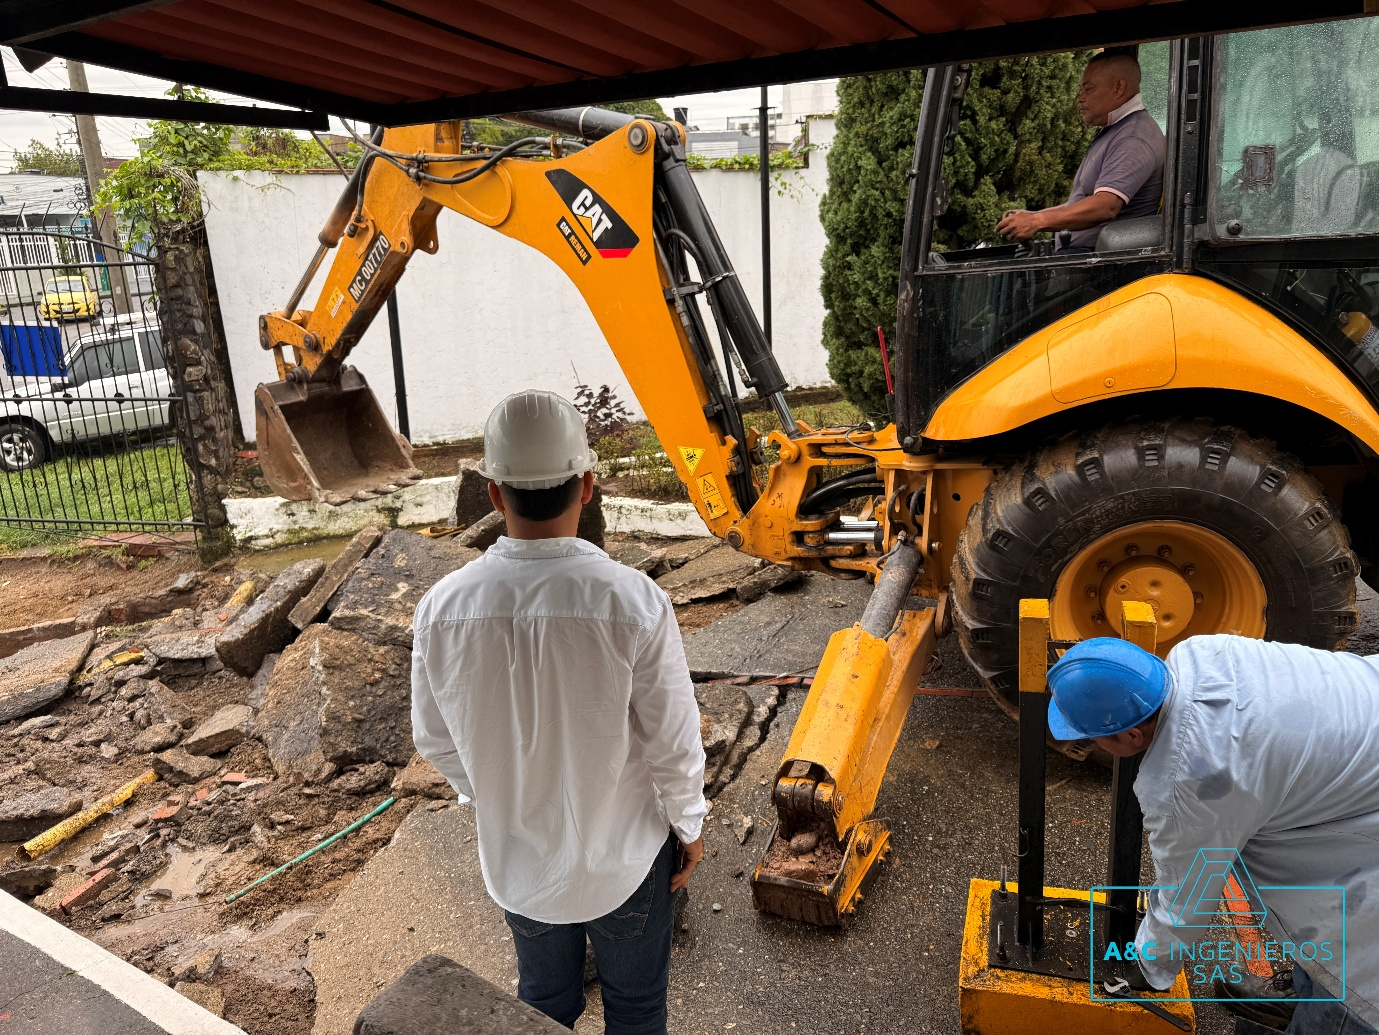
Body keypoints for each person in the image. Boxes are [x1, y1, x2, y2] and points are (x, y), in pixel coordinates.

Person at [411, 389, 708, 1035]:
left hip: (519, 861)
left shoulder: (441, 607)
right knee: (634, 1009)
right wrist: (688, 823)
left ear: (493, 493)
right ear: (588, 483)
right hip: (626, 861)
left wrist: (493, 792)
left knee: (543, 1006)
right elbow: (673, 739)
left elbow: (434, 738)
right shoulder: (633, 600)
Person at [1044, 634, 1379, 1034]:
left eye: (1092, 736)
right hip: (1361, 731)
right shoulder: (1198, 653)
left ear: (1130, 737)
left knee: (1358, 962)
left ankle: (1330, 1016)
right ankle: (1306, 992)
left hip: (1363, 781)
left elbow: (1186, 896)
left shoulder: (1193, 776)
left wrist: (1151, 967)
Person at [996, 48, 1165, 251]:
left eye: (1089, 89)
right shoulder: (1115, 130)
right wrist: (1032, 216)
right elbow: (1083, 202)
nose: (1080, 98)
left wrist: (1038, 221)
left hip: (1100, 270)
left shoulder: (1133, 138)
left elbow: (1105, 207)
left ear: (1118, 87)